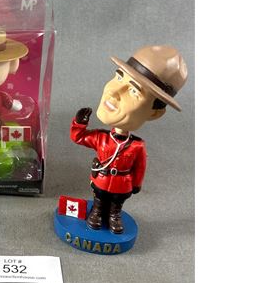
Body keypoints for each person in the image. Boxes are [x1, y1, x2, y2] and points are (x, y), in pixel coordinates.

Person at [70, 45, 187, 234]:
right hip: (101, 180)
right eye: (119, 77)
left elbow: (140, 167)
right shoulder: (102, 138)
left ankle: (114, 216)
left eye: (134, 91)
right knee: (99, 200)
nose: (114, 92)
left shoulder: (137, 146)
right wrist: (79, 123)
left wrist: (136, 185)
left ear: (155, 113)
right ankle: (97, 212)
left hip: (122, 184)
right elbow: (79, 137)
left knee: (116, 205)